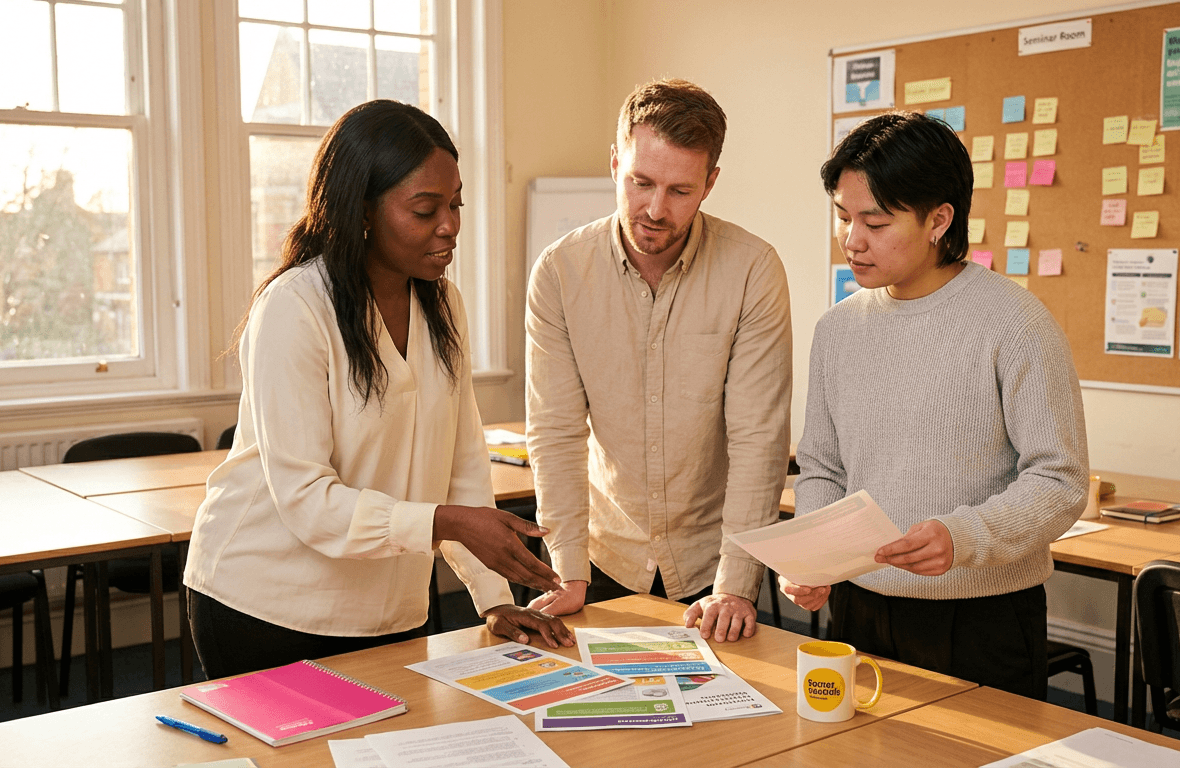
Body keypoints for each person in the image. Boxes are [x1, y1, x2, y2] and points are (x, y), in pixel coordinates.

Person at [184, 101, 571, 680]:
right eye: (425, 209)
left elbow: (462, 462)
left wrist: (494, 597)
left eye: (456, 203)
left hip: (387, 611)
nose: (451, 225)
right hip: (266, 607)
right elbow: (308, 500)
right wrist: (444, 523)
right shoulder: (295, 307)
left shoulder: (442, 304)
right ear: (362, 210)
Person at [782, 111, 1089, 698]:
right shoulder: (838, 331)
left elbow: (1061, 478)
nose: (852, 239)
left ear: (939, 220)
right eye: (843, 218)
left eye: (874, 222)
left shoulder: (1015, 322)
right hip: (861, 611)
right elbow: (822, 467)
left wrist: (965, 535)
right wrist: (818, 555)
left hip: (983, 617)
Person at [524, 79, 792, 643]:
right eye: (640, 182)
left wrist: (738, 583)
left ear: (710, 183)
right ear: (616, 161)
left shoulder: (751, 271)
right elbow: (556, 432)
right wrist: (566, 564)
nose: (654, 209)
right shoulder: (560, 273)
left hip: (713, 565)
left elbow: (757, 439)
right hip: (602, 558)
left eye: (679, 191)